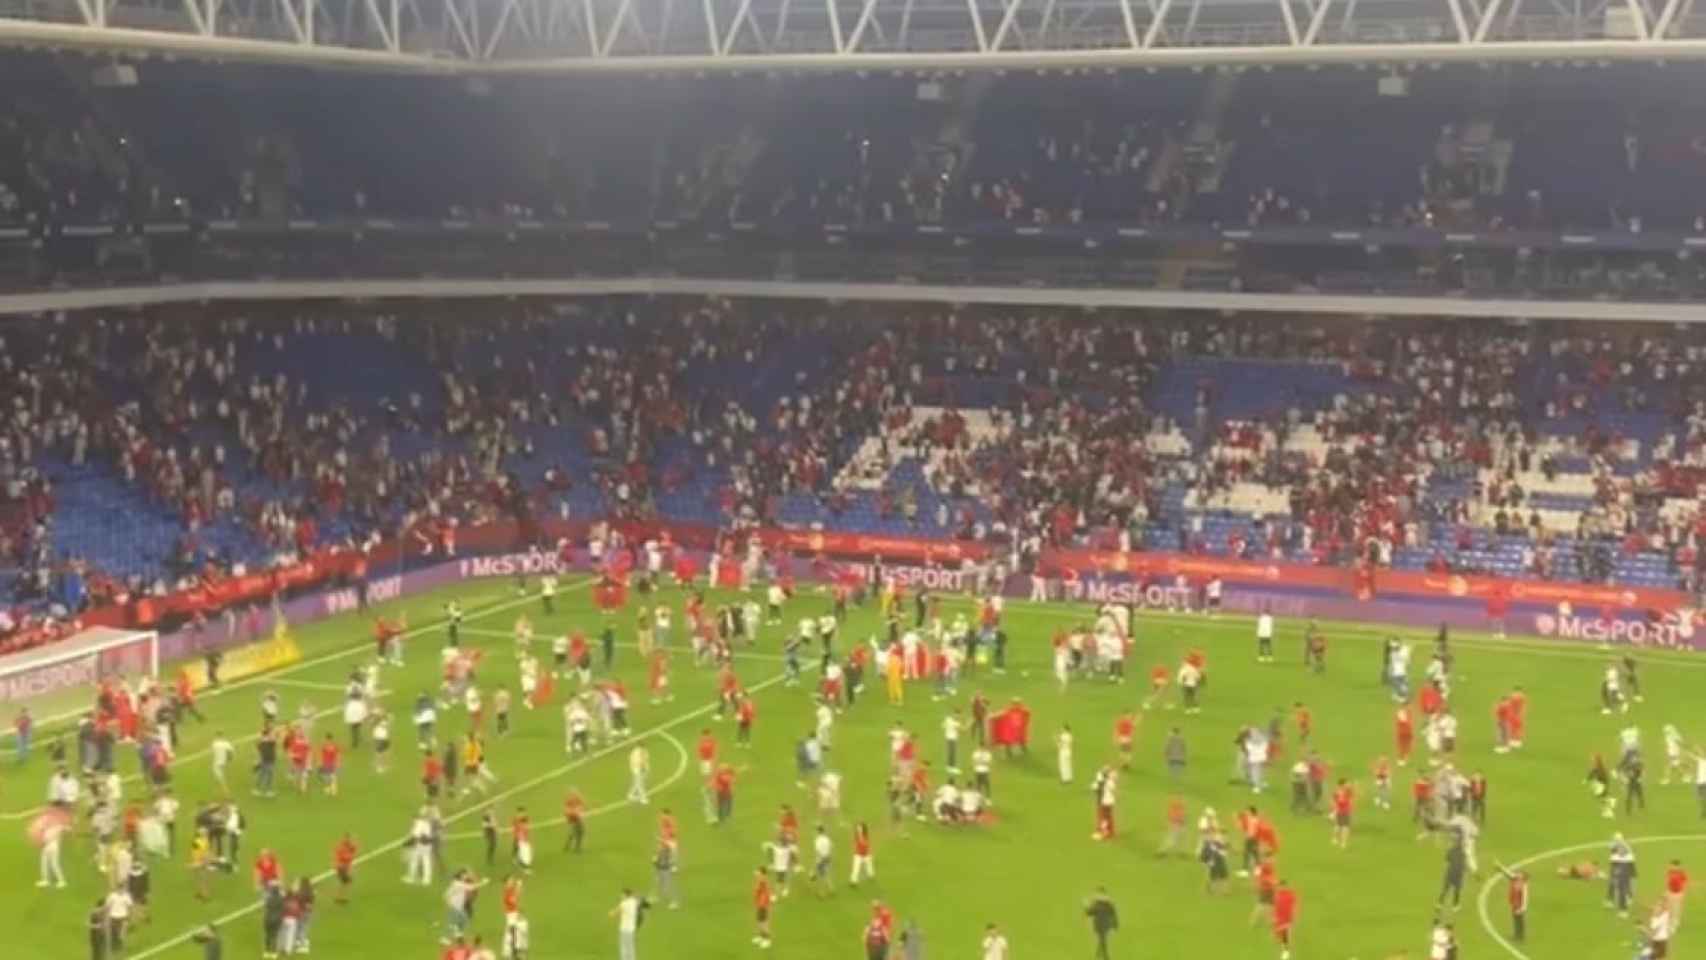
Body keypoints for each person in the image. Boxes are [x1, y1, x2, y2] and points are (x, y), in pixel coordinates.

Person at [1494, 862, 1529, 942]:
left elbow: (1525, 897)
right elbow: (1507, 873)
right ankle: (1517, 935)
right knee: (1515, 920)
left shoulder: (1523, 885)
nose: (1518, 873)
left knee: (1520, 921)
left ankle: (1521, 936)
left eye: (1521, 874)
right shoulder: (1515, 879)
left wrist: (1522, 908)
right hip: (1515, 904)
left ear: (1523, 877)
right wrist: (1499, 867)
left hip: (1520, 906)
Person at [1085, 887, 1119, 960]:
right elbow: (1114, 914)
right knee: (1102, 939)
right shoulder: (1109, 904)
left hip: (1099, 925)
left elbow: (1089, 913)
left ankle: (1105, 956)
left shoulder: (1096, 904)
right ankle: (1099, 954)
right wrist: (1115, 925)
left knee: (1102, 940)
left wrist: (1086, 905)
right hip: (1105, 925)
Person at [611, 888, 645, 960]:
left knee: (623, 946)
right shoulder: (633, 902)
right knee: (631, 946)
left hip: (624, 929)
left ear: (626, 895)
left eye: (622, 895)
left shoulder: (623, 904)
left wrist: (611, 913)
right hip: (631, 929)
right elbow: (639, 899)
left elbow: (614, 913)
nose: (621, 896)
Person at [1271, 880, 1298, 960]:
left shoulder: (1290, 895)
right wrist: (1274, 917)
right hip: (1280, 919)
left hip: (1287, 919)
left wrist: (1293, 917)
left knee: (1286, 935)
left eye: (1282, 887)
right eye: (1280, 887)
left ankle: (1286, 952)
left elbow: (1294, 906)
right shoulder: (1277, 895)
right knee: (1281, 936)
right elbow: (1275, 908)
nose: (1281, 888)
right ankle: (1285, 950)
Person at [752, 867, 775, 949]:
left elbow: (769, 891)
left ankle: (767, 940)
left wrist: (771, 898)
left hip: (764, 904)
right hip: (759, 904)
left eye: (758, 872)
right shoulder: (760, 880)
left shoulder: (764, 881)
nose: (757, 873)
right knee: (759, 921)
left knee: (764, 923)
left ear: (763, 873)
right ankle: (760, 937)